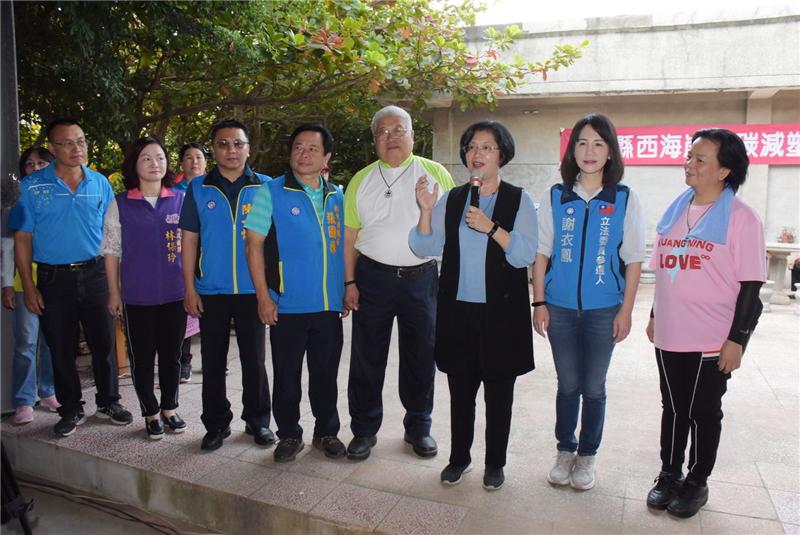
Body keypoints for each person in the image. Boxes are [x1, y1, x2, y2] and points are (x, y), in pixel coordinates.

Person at [410, 121, 537, 490]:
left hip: (501, 315)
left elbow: (526, 254)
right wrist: (424, 209)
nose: (477, 154)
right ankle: (459, 459)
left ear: (502, 155)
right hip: (458, 312)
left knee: (500, 396)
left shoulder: (519, 199)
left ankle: (495, 463)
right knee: (460, 393)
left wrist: (492, 228)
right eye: (471, 147)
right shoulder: (452, 198)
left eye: (487, 147)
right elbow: (425, 247)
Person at [645, 129, 765, 518]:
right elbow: (665, 270)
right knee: (674, 407)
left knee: (703, 410)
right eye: (689, 156)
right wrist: (652, 315)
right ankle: (669, 473)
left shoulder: (743, 219)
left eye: (700, 159)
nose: (689, 164)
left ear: (724, 170)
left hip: (712, 337)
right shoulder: (676, 210)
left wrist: (737, 339)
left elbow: (751, 285)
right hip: (669, 332)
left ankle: (697, 480)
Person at [532, 113, 645, 490]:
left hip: (603, 310)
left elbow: (633, 259)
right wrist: (539, 302)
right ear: (572, 149)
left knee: (594, 387)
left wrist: (626, 311)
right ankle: (565, 450)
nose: (589, 150)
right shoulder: (557, 195)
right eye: (581, 142)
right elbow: (541, 252)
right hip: (560, 308)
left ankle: (587, 456)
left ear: (610, 151)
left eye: (598, 143)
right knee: (567, 384)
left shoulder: (624, 198)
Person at [343, 105, 455, 461]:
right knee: (366, 357)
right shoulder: (361, 179)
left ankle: (419, 427)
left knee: (421, 356)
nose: (391, 137)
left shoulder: (434, 173)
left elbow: (451, 231)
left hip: (421, 280)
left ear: (412, 135)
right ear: (375, 139)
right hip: (371, 279)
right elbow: (349, 237)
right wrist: (349, 281)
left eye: (398, 130)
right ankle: (363, 430)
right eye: (383, 131)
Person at [9, 118, 133, 437]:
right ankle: (71, 408)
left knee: (104, 342)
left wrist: (115, 283)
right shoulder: (32, 187)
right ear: (52, 148)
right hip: (53, 278)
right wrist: (30, 285)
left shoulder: (100, 183)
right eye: (67, 143)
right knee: (60, 347)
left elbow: (111, 236)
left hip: (95, 274)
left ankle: (109, 402)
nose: (76, 148)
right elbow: (22, 239)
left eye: (80, 141)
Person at [245, 124, 347, 462]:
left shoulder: (337, 195)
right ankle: (289, 434)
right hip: (286, 304)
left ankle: (326, 431)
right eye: (298, 147)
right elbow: (253, 246)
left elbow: (344, 247)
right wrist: (263, 296)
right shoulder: (270, 192)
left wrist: (346, 287)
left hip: (328, 305)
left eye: (312, 149)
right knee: (286, 375)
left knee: (325, 374)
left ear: (326, 157)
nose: (303, 155)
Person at [179, 119, 274, 451]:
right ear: (213, 149)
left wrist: (270, 290)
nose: (231, 150)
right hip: (212, 289)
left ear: (248, 148)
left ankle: (258, 421)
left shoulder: (266, 187)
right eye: (223, 144)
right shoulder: (198, 188)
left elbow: (273, 243)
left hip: (253, 289)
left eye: (238, 143)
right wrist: (190, 287)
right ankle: (216, 424)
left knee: (254, 359)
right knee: (213, 360)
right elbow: (189, 239)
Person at [102, 137, 188, 440]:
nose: (155, 164)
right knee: (142, 357)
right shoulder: (121, 203)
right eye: (147, 159)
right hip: (138, 296)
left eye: (160, 157)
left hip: (176, 294)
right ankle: (150, 413)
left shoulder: (179, 200)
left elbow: (192, 248)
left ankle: (169, 408)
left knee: (172, 355)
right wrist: (114, 292)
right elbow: (111, 251)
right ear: (134, 165)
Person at [1, 147, 60, 424]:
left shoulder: (61, 198)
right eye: (29, 164)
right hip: (24, 283)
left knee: (51, 341)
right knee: (26, 341)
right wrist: (7, 285)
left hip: (56, 282)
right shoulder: (18, 200)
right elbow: (8, 246)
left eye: (41, 163)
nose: (35, 168)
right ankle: (24, 400)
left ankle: (48, 390)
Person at [173, 142, 209, 383]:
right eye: (189, 157)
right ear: (181, 163)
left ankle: (212, 359)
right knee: (185, 311)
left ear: (206, 162)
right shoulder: (173, 192)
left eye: (199, 157)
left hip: (209, 260)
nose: (194, 161)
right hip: (179, 258)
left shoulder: (213, 187)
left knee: (211, 314)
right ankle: (184, 361)